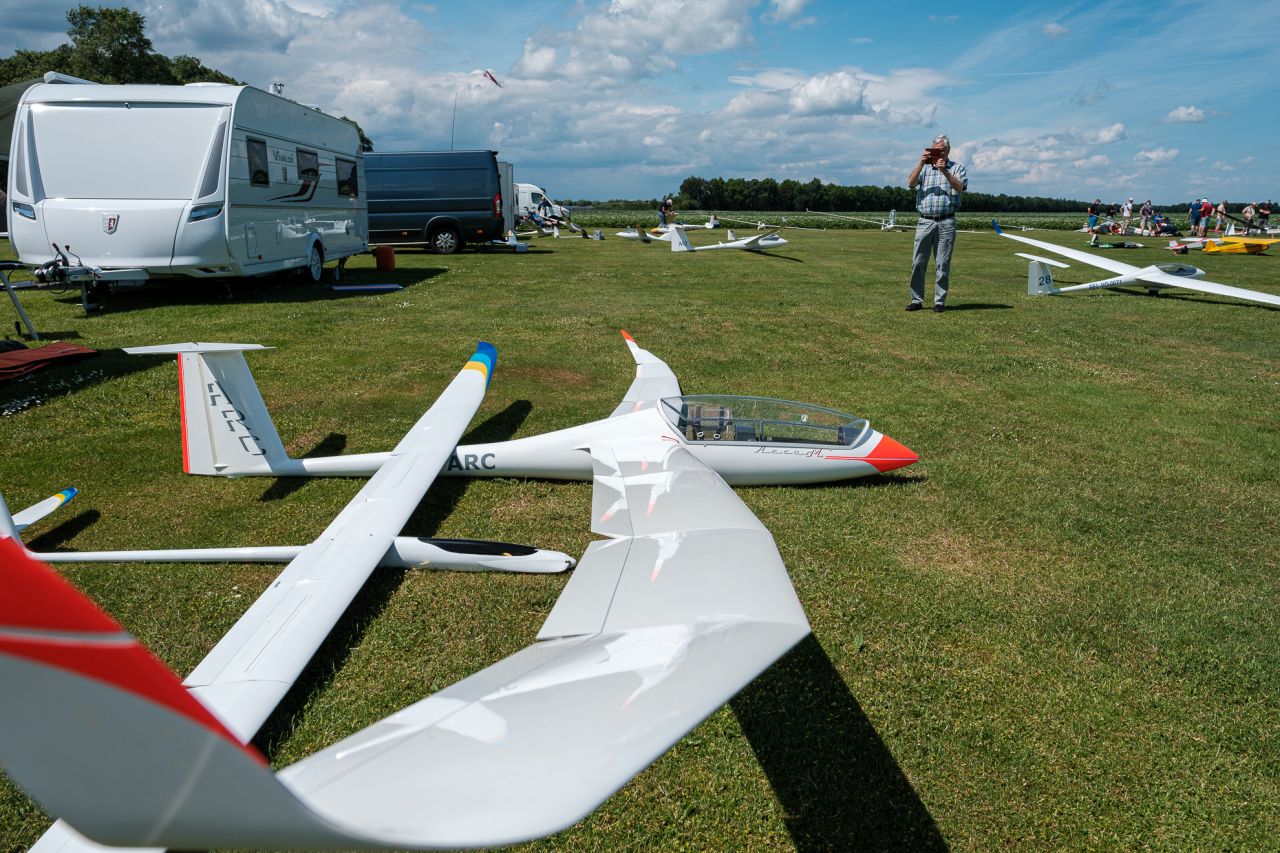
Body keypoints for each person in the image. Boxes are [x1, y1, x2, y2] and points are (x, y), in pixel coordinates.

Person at [905, 134, 968, 312]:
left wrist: (945, 171)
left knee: (942, 264)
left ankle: (939, 302)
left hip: (946, 221)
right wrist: (920, 163)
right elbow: (910, 183)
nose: (938, 152)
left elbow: (960, 188)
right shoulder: (925, 169)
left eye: (941, 150)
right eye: (935, 149)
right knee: (918, 262)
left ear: (948, 150)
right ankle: (916, 300)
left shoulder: (957, 168)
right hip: (925, 221)